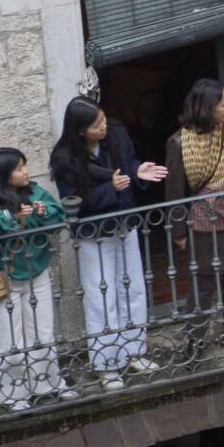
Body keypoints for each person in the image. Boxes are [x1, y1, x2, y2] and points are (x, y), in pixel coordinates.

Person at [48, 96, 167, 387]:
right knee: (101, 297)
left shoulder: (117, 132)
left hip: (124, 224)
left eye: (102, 120)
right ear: (80, 131)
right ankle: (107, 364)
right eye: (96, 125)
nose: (103, 127)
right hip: (93, 234)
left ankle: (135, 351)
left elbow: (127, 165)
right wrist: (110, 190)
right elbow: (72, 202)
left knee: (133, 288)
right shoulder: (64, 158)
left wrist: (136, 171)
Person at [0, 147, 71, 408]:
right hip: (3, 276)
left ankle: (48, 383)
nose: (26, 172)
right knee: (7, 337)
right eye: (19, 168)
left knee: (43, 331)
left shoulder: (33, 191)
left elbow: (58, 214)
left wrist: (43, 212)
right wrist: (7, 216)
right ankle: (13, 394)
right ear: (3, 174)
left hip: (36, 271)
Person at [163, 79, 224, 356]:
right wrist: (178, 233)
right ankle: (194, 341)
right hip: (204, 219)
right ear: (207, 108)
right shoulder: (178, 143)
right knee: (205, 279)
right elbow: (175, 191)